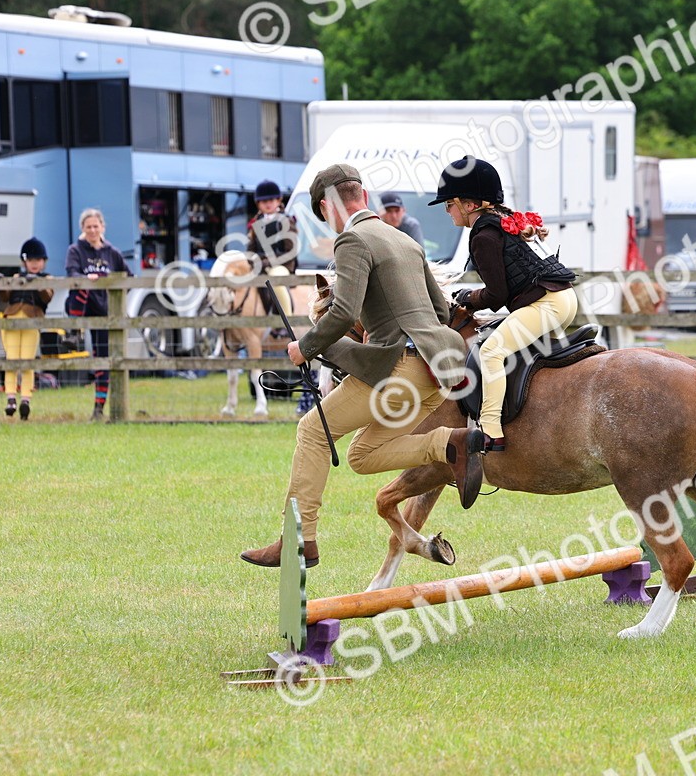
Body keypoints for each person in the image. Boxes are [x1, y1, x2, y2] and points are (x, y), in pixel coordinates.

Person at [240, 163, 480, 569]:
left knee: (312, 431)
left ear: (328, 206)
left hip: (396, 367)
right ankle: (448, 443)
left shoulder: (352, 239)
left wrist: (307, 347)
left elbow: (342, 311)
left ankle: (300, 542)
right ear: (363, 197)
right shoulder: (404, 240)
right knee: (362, 455)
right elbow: (440, 310)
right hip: (437, 373)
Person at [430, 156, 578, 454]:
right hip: (563, 299)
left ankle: (491, 431)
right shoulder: (504, 221)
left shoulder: (483, 236)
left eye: (449, 204)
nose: (447, 211)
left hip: (546, 305)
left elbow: (497, 296)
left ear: (469, 205)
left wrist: (468, 298)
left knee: (492, 353)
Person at [66, 208, 133, 421]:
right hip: (81, 304)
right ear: (82, 229)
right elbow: (72, 273)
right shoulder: (75, 250)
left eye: (96, 226)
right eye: (88, 227)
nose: (93, 230)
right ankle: (74, 332)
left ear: (102, 227)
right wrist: (88, 279)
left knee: (103, 359)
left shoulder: (112, 252)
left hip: (104, 310)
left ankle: (99, 407)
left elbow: (128, 277)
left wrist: (113, 290)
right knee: (81, 286)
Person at [0, 238, 54, 420]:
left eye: (38, 260)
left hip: (32, 321)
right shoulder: (17, 277)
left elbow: (47, 298)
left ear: (44, 262)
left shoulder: (47, 279)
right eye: (31, 260)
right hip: (12, 319)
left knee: (28, 361)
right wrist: (2, 283)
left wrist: (36, 284)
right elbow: (5, 296)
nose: (35, 264)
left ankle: (26, 399)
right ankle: (10, 397)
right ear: (25, 262)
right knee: (12, 360)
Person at [247, 179, 297, 319]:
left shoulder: (286, 221)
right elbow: (251, 249)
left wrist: (267, 263)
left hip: (282, 265)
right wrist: (252, 261)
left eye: (271, 200)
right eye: (264, 201)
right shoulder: (256, 223)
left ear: (278, 200)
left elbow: (290, 252)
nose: (268, 204)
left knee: (276, 278)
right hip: (261, 266)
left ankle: (287, 320)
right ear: (258, 203)